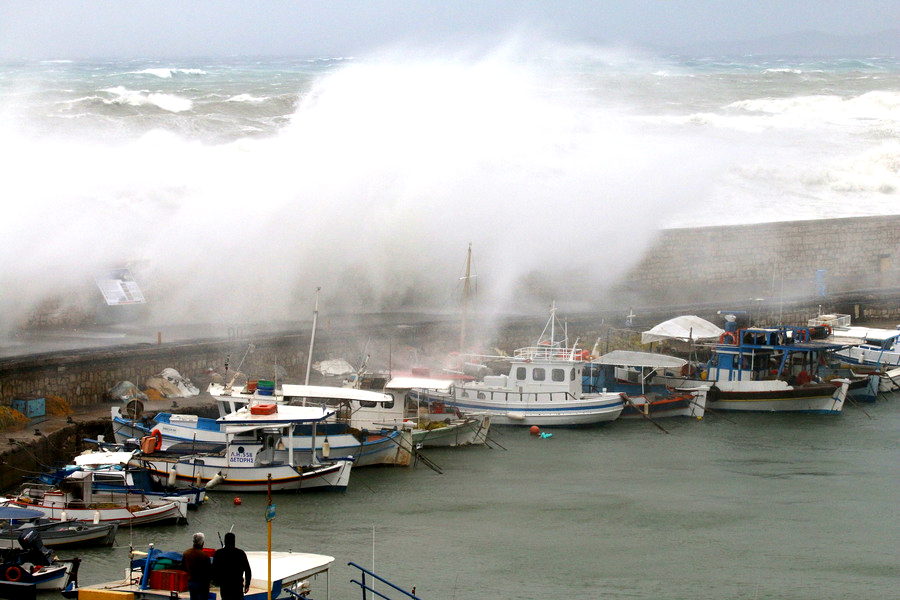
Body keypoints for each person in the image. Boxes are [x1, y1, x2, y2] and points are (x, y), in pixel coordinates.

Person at [213, 532, 252, 600]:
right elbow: (248, 570)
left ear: (225, 541)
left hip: (225, 587)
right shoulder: (241, 553)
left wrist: (218, 582)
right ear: (234, 541)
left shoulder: (218, 553)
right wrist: (247, 585)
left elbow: (214, 570)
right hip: (237, 587)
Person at [182, 532, 211, 600]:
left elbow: (183, 566)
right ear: (202, 543)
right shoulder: (204, 556)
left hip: (191, 582)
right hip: (202, 584)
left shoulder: (186, 553)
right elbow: (208, 572)